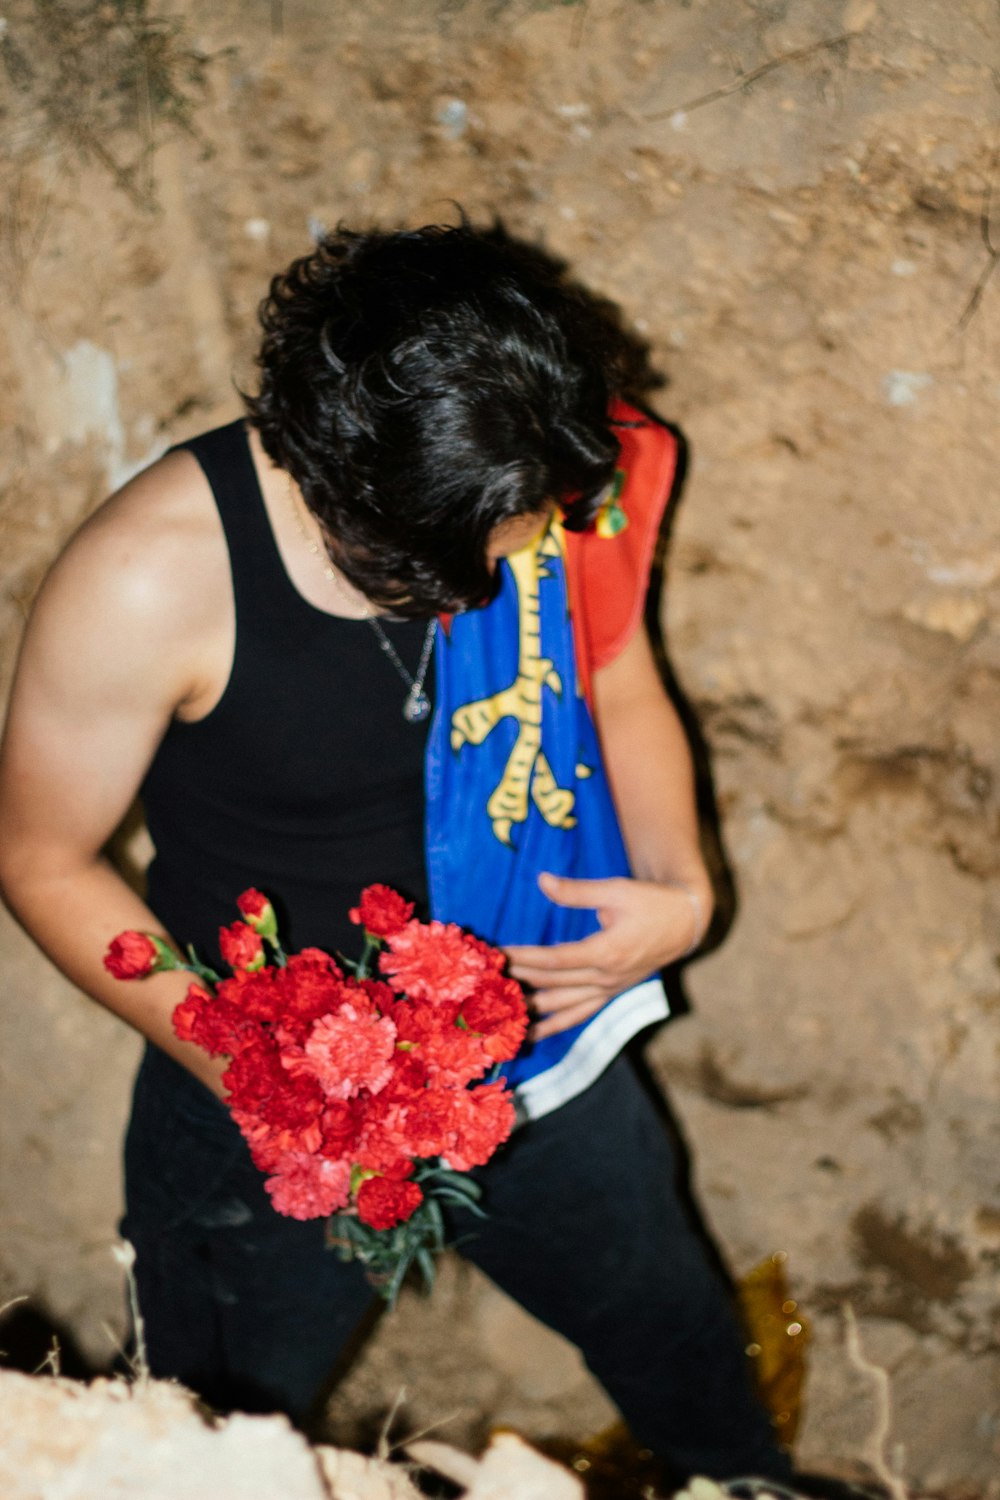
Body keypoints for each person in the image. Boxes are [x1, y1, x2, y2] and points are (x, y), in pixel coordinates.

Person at [0, 222, 794, 1488]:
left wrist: (683, 890)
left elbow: (613, 665)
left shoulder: (538, 464)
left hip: (541, 1042)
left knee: (681, 1342)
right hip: (269, 1096)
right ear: (344, 485)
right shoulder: (150, 583)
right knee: (217, 1430)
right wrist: (260, 1075)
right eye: (467, 554)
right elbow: (43, 858)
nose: (509, 573)